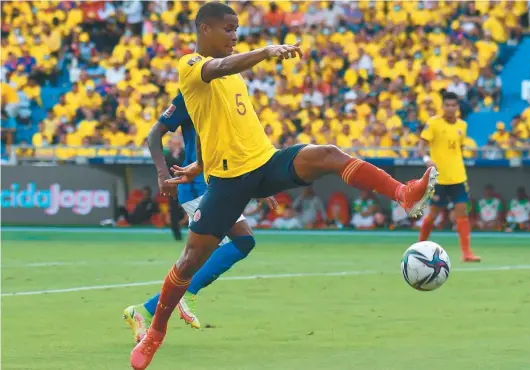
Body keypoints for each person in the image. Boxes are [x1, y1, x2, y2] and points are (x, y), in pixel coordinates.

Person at [130, 3, 437, 369]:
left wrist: (201, 164)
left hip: (264, 162)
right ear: (204, 29)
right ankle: (155, 332)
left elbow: (229, 131)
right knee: (190, 261)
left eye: (236, 29)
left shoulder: (234, 77)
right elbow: (220, 67)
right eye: (228, 29)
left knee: (327, 153)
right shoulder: (191, 66)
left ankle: (404, 194)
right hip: (229, 183)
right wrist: (266, 51)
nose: (234, 35)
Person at [123, 91, 276, 344]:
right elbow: (153, 135)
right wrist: (162, 175)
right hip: (196, 185)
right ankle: (186, 292)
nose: (231, 50)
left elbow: (237, 144)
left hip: (220, 182)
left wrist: (258, 186)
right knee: (239, 242)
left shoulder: (230, 92)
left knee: (204, 254)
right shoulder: (192, 93)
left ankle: (145, 311)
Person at [418, 91, 481, 263]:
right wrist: (427, 159)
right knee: (433, 213)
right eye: (448, 105)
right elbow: (421, 145)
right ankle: (419, 246)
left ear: (457, 107)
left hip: (458, 177)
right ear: (442, 106)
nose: (451, 108)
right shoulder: (434, 123)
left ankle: (467, 253)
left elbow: (458, 150)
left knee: (462, 213)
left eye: (454, 105)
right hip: (440, 178)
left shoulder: (462, 125)